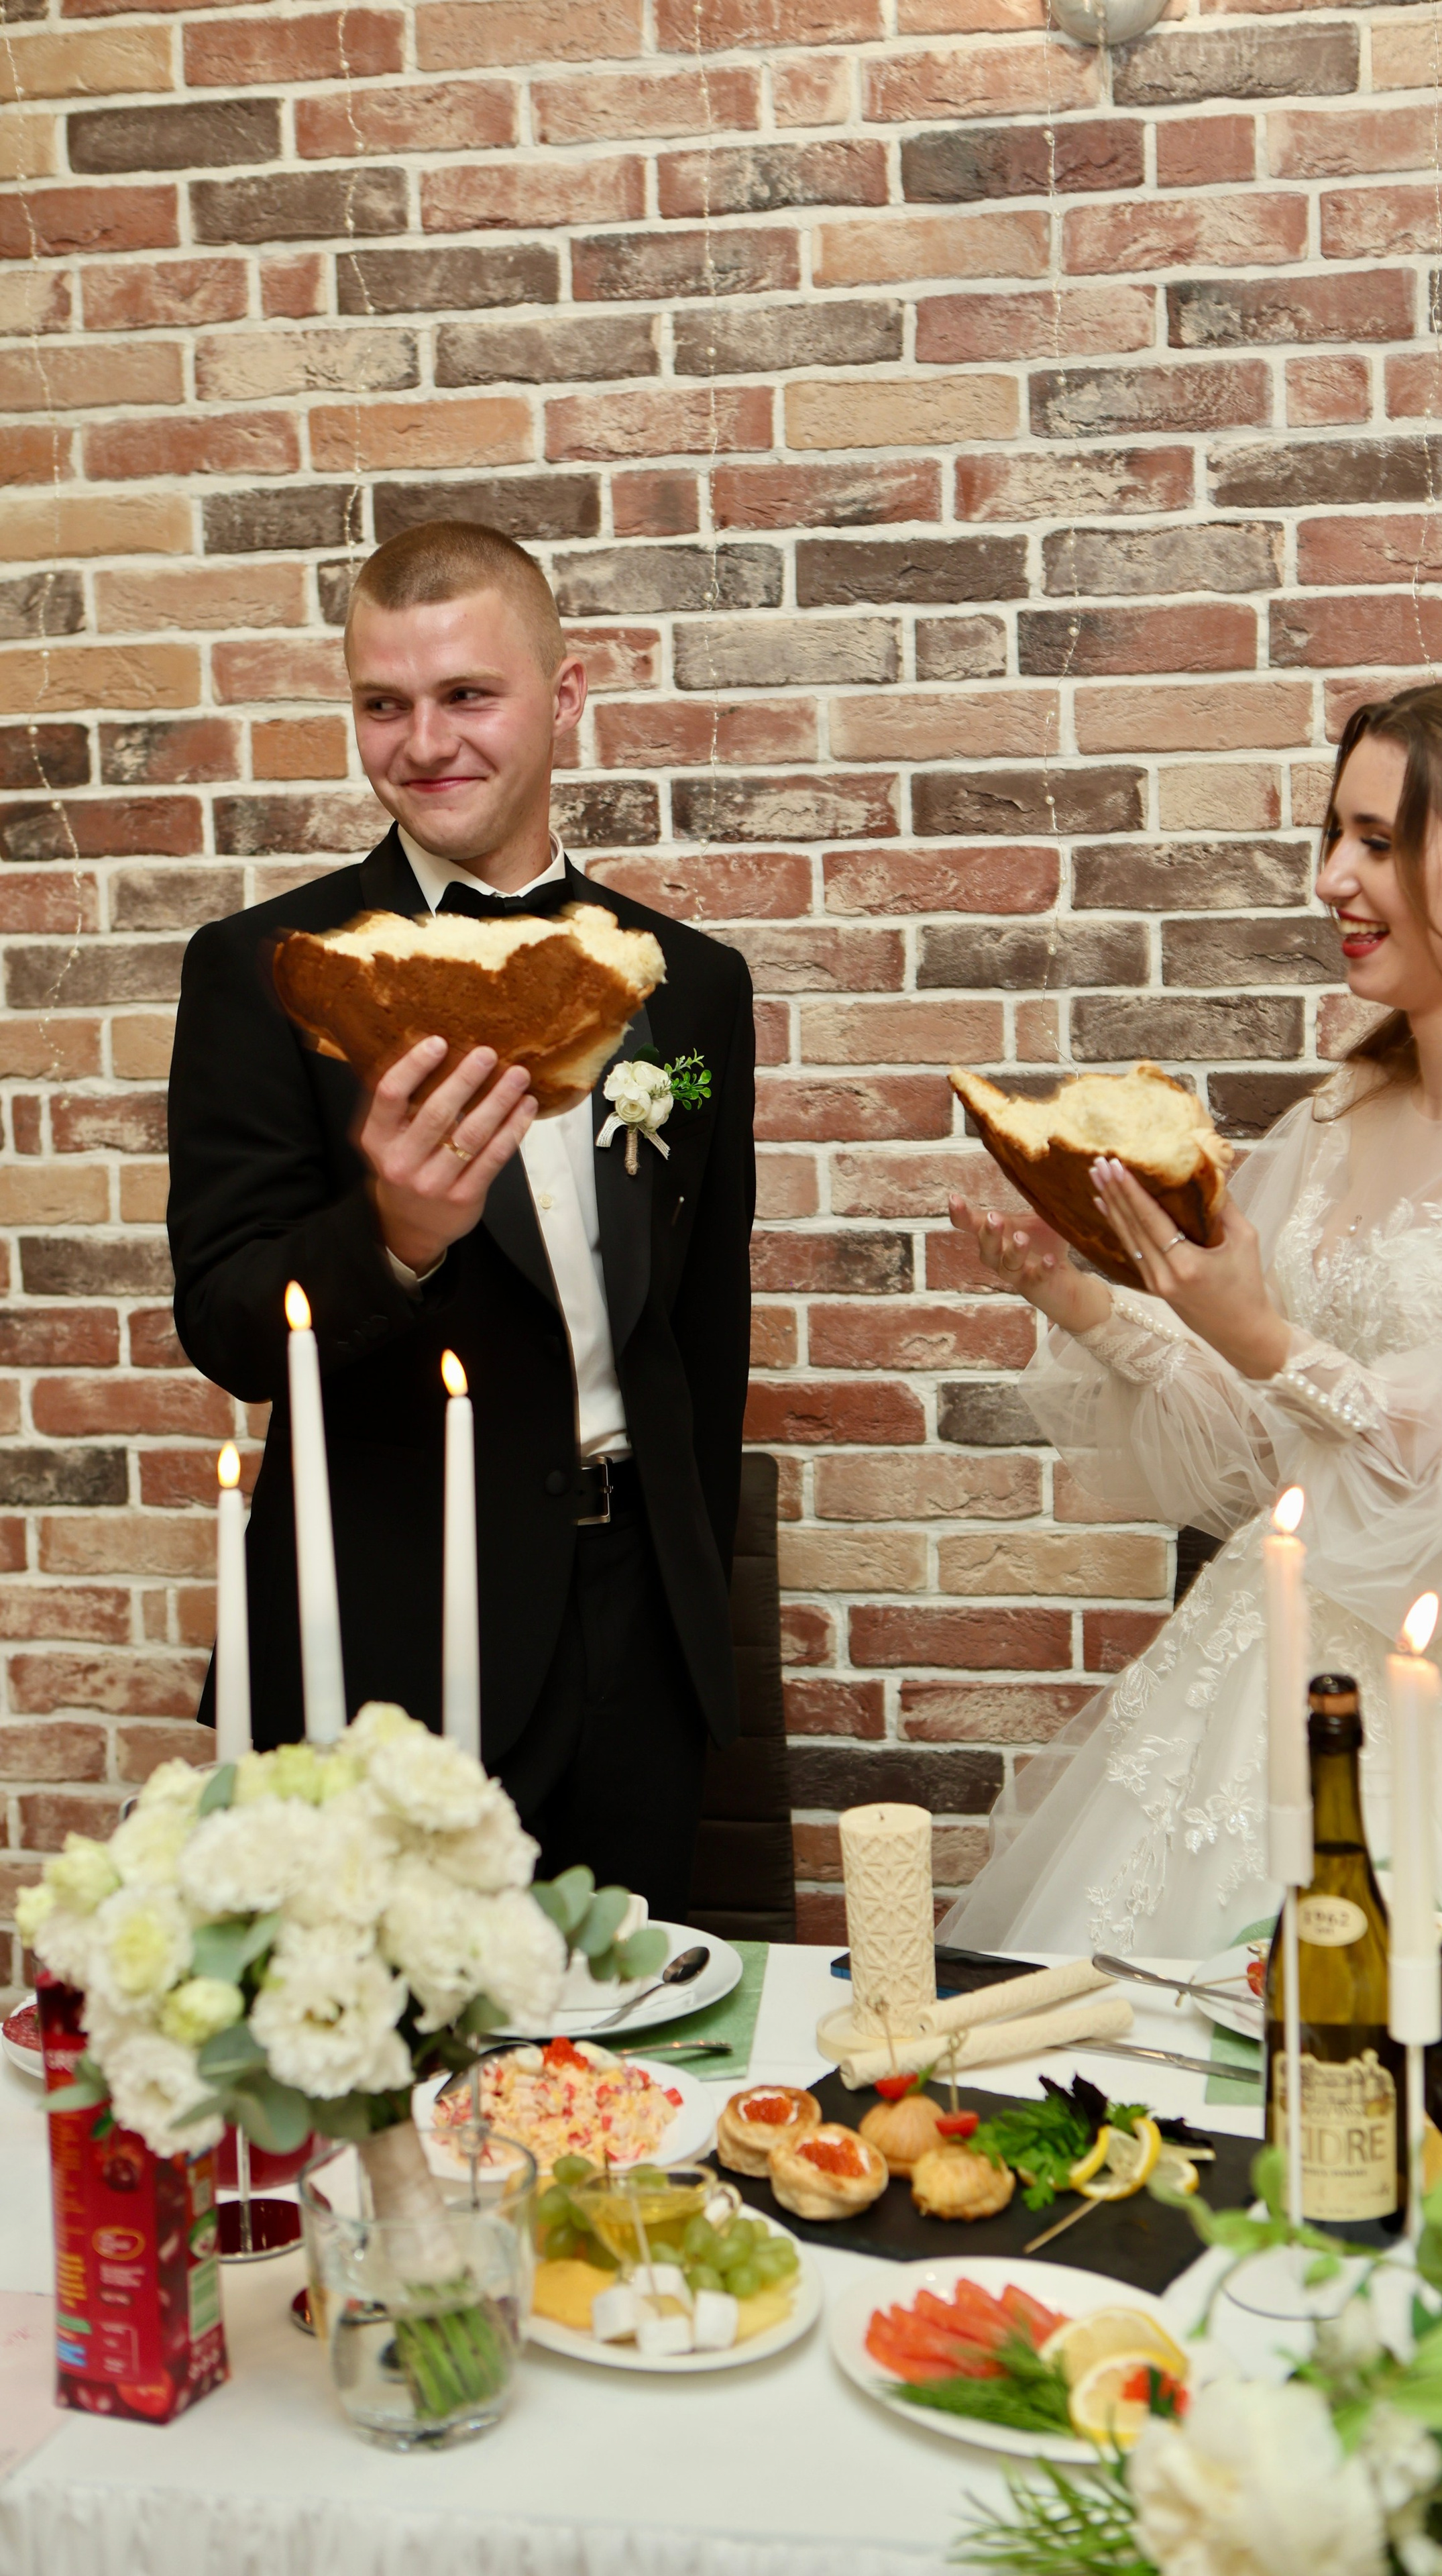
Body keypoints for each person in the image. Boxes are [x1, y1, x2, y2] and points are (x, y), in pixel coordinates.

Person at [942, 676, 1442, 1972]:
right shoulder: (1342, 1109)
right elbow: (1253, 1465)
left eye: (1382, 841)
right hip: (1258, 1676)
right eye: (1333, 836)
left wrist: (1263, 1340)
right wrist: (1073, 1289)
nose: (1331, 880)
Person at [167, 520, 755, 1917]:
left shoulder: (695, 985)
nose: (422, 742)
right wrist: (394, 1234)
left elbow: (698, 1341)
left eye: (466, 696)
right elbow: (228, 1321)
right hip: (382, 1644)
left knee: (636, 2085)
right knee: (390, 2094)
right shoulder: (267, 971)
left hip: (639, 1646)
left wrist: (692, 1631)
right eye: (384, 703)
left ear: (565, 697)